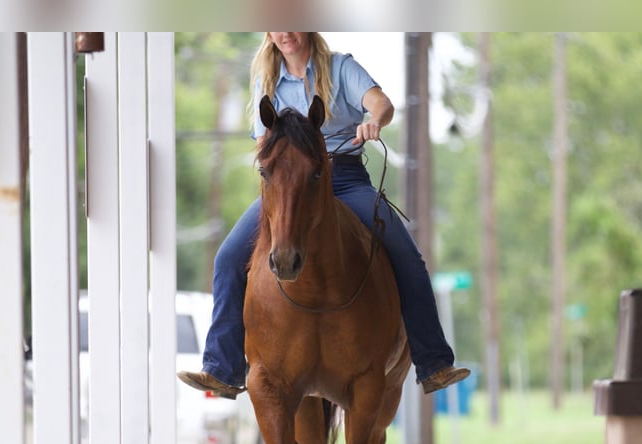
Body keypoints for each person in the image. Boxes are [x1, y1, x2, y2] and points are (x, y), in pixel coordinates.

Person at [178, 32, 469, 399]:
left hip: (343, 178)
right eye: (275, 26)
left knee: (407, 255)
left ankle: (433, 361)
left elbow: (381, 103)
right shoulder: (265, 79)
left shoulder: (340, 67)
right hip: (288, 182)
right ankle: (222, 368)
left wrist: (373, 120)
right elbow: (261, 142)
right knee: (228, 258)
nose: (285, 33)